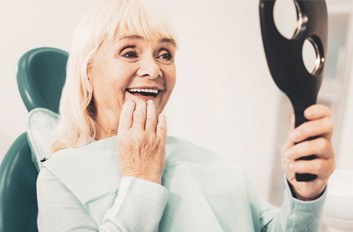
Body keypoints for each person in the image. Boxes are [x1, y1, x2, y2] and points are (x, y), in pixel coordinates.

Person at [36, 0, 335, 231]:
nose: (153, 70)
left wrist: (304, 195)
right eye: (129, 52)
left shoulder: (213, 164)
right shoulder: (61, 177)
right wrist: (141, 180)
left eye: (165, 54)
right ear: (87, 71)